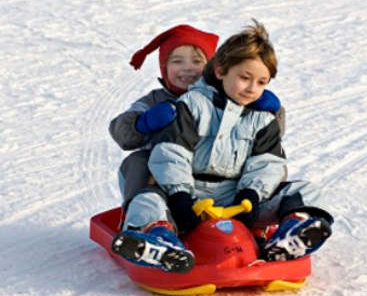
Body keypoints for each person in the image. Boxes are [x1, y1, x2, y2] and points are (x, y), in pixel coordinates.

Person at [111, 20, 332, 274]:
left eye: (261, 82)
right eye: (245, 78)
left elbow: (267, 162)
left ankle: (291, 233)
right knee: (147, 196)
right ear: (220, 71)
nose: (252, 87)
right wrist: (180, 195)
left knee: (306, 191)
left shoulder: (260, 113)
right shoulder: (187, 104)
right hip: (184, 198)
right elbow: (169, 153)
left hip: (235, 198)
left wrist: (251, 195)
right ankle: (158, 238)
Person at [108, 25, 284, 222]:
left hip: (222, 183)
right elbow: (120, 132)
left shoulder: (236, 99)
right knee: (138, 161)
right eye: (177, 61)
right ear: (164, 67)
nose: (188, 68)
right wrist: (143, 123)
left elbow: (267, 141)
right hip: (165, 180)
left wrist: (273, 113)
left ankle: (258, 214)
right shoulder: (154, 100)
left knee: (275, 165)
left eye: (197, 61)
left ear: (213, 67)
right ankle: (146, 217)